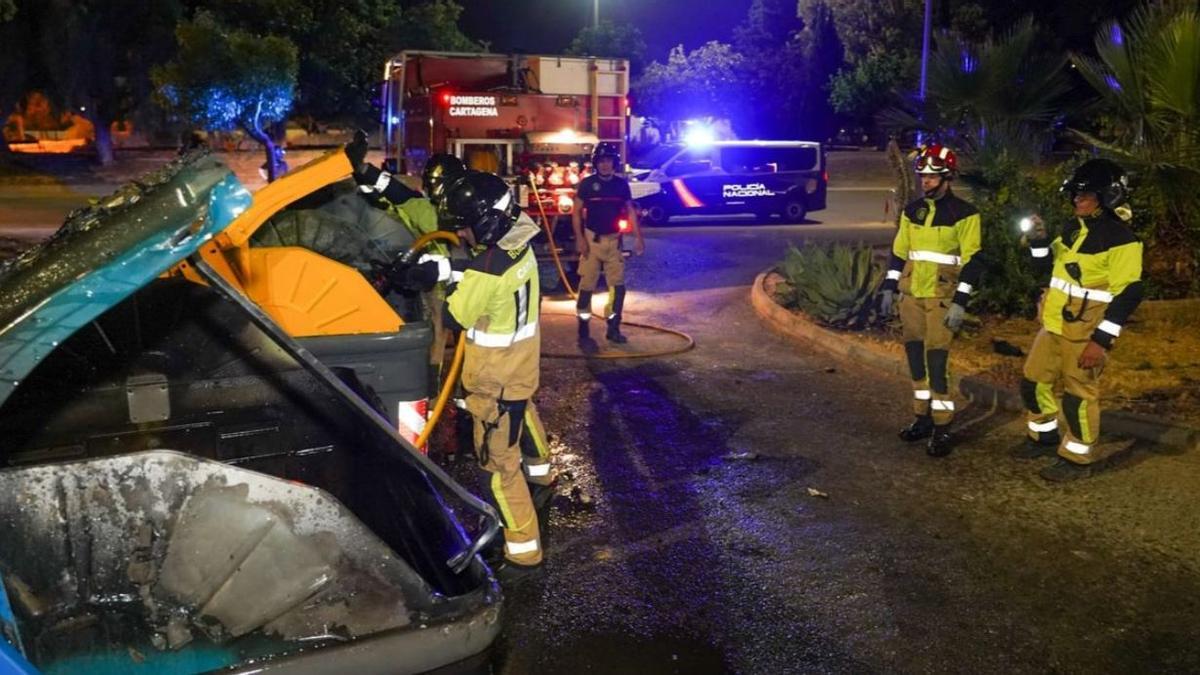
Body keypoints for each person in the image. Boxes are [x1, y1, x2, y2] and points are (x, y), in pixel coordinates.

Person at [394, 172, 552, 583]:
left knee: (499, 468)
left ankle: (524, 552)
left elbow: (454, 315)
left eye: (465, 224)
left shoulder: (486, 272)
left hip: (494, 382)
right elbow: (481, 267)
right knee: (520, 429)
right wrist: (444, 269)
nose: (461, 232)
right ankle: (542, 478)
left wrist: (434, 281)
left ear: (484, 221)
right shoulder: (518, 243)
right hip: (518, 370)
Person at [1016, 159, 1144, 482]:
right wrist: (1040, 241)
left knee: (1077, 397)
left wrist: (1100, 341)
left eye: (1084, 196)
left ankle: (1077, 457)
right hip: (1054, 326)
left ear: (1108, 196)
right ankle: (1043, 436)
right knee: (1032, 382)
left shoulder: (1121, 238)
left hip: (1085, 333)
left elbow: (1129, 293)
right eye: (1075, 194)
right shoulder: (1073, 229)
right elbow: (1046, 266)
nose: (1077, 200)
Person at [878, 144, 984, 457]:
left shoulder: (964, 214)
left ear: (947, 177)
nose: (925, 181)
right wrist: (888, 287)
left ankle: (942, 426)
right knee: (915, 359)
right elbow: (900, 252)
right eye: (923, 175)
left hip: (941, 299)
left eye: (932, 176)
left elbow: (973, 260)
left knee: (937, 363)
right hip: (912, 297)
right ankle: (921, 417)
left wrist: (960, 302)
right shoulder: (913, 211)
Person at [572, 141, 645, 349]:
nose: (605, 165)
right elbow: (575, 212)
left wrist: (639, 238)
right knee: (586, 286)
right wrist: (579, 239)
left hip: (614, 242)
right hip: (592, 241)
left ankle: (613, 328)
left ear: (615, 163)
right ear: (596, 163)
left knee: (618, 287)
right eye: (601, 161)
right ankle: (583, 328)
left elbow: (630, 211)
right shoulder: (587, 184)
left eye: (609, 161)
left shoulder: (621, 185)